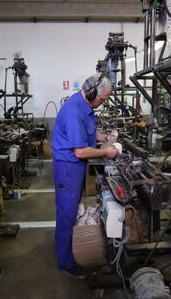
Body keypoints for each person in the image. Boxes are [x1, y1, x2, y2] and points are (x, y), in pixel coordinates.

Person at [51, 73, 117, 278]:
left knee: (70, 211)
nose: (102, 103)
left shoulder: (85, 106)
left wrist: (103, 137)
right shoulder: (73, 111)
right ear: (91, 92)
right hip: (68, 168)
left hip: (75, 168)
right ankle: (66, 262)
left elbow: (87, 132)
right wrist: (107, 152)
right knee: (67, 214)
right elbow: (80, 151)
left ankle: (64, 247)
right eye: (102, 99)